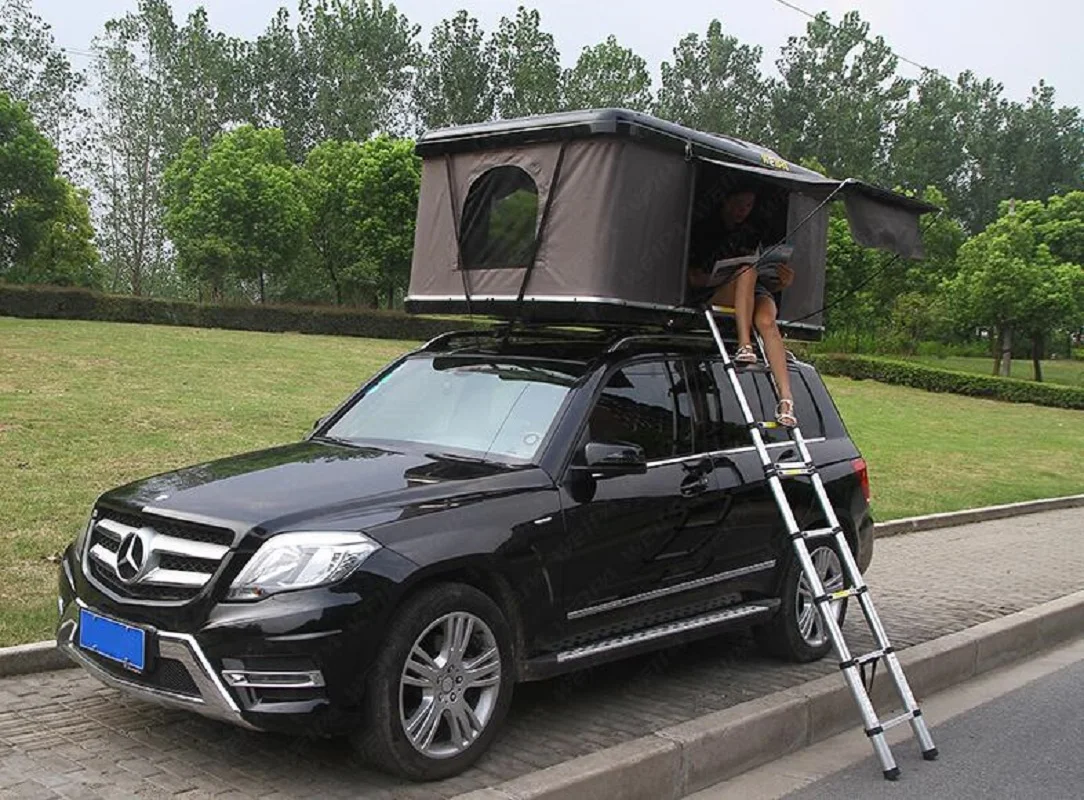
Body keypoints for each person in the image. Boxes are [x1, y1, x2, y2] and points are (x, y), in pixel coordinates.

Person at [687, 186, 798, 427]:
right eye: (739, 204)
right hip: (717, 292)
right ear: (725, 201)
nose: (743, 211)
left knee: (767, 321)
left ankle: (786, 400)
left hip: (755, 289)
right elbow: (692, 278)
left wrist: (782, 282)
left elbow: (764, 278)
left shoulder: (753, 231)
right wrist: (720, 275)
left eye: (748, 206)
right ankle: (744, 344)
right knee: (746, 272)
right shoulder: (704, 230)